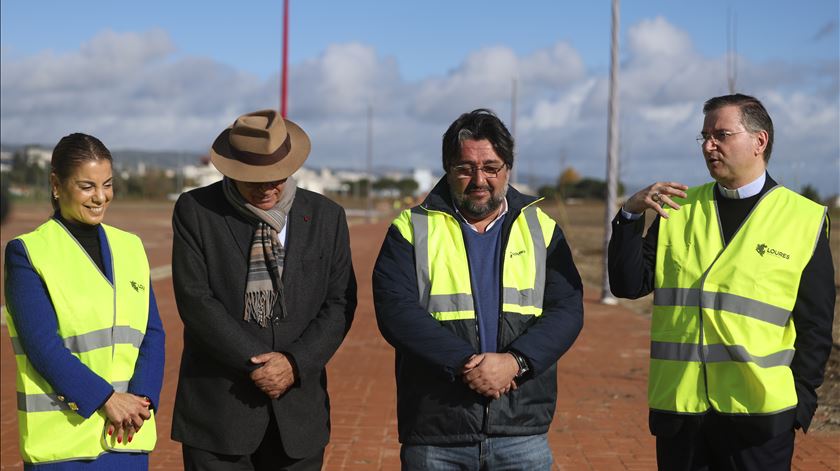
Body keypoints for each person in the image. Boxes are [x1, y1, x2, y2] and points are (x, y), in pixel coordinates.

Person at [608, 93, 835, 470]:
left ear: (759, 141)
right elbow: (628, 285)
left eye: (721, 135)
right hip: (681, 415)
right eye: (704, 137)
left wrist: (801, 403)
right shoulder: (678, 209)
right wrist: (630, 217)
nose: (709, 146)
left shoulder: (803, 218)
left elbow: (816, 323)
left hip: (760, 419)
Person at [373, 109, 584, 469]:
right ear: (448, 169)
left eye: (491, 167)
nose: (479, 179)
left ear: (507, 168)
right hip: (437, 428)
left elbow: (567, 309)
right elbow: (396, 311)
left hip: (521, 431)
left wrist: (516, 363)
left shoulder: (542, 228)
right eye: (465, 168)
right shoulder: (411, 228)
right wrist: (465, 363)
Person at [171, 109, 357, 470]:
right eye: (255, 178)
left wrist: (294, 363)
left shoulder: (326, 217)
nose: (269, 187)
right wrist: (257, 364)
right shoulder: (196, 211)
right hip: (218, 416)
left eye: (278, 176)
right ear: (231, 170)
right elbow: (195, 300)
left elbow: (340, 303)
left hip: (298, 416)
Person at [4, 133, 165, 469]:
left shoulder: (131, 247)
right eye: (87, 186)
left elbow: (152, 332)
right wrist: (107, 400)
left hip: (128, 437)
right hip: (63, 446)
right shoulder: (28, 253)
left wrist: (142, 401)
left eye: (107, 184)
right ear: (56, 185)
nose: (101, 197)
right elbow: (42, 347)